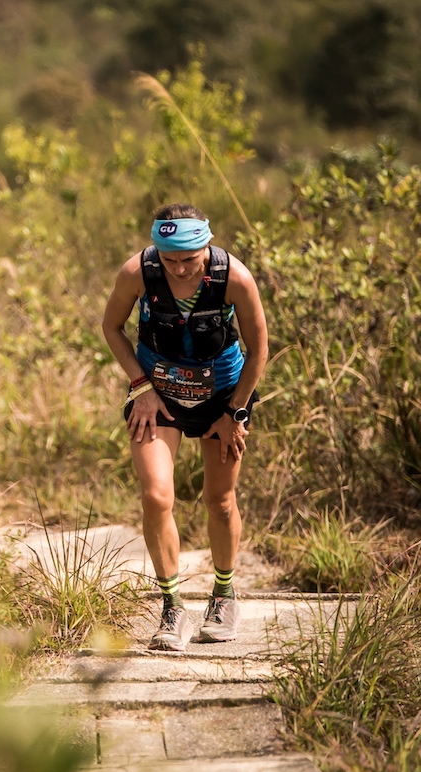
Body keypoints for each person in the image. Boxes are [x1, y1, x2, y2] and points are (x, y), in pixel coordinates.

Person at [101, 204, 269, 651]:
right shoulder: (137, 272)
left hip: (223, 397)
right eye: (169, 259)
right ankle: (172, 607)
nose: (178, 268)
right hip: (158, 394)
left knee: (220, 500)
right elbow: (112, 327)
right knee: (157, 496)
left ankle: (224, 595)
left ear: (206, 246)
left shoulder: (235, 278)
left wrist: (234, 413)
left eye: (189, 259)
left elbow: (258, 350)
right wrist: (140, 385)